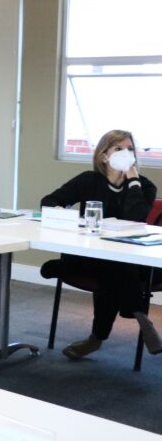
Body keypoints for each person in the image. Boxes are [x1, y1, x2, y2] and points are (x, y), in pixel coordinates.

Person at [41, 129, 160, 359]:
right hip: (89, 253)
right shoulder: (88, 181)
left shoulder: (144, 186)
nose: (126, 153)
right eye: (118, 149)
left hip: (126, 258)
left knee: (114, 268)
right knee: (115, 268)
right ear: (104, 156)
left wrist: (132, 179)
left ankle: (96, 339)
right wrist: (63, 213)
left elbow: (136, 217)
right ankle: (138, 312)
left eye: (130, 149)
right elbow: (49, 201)